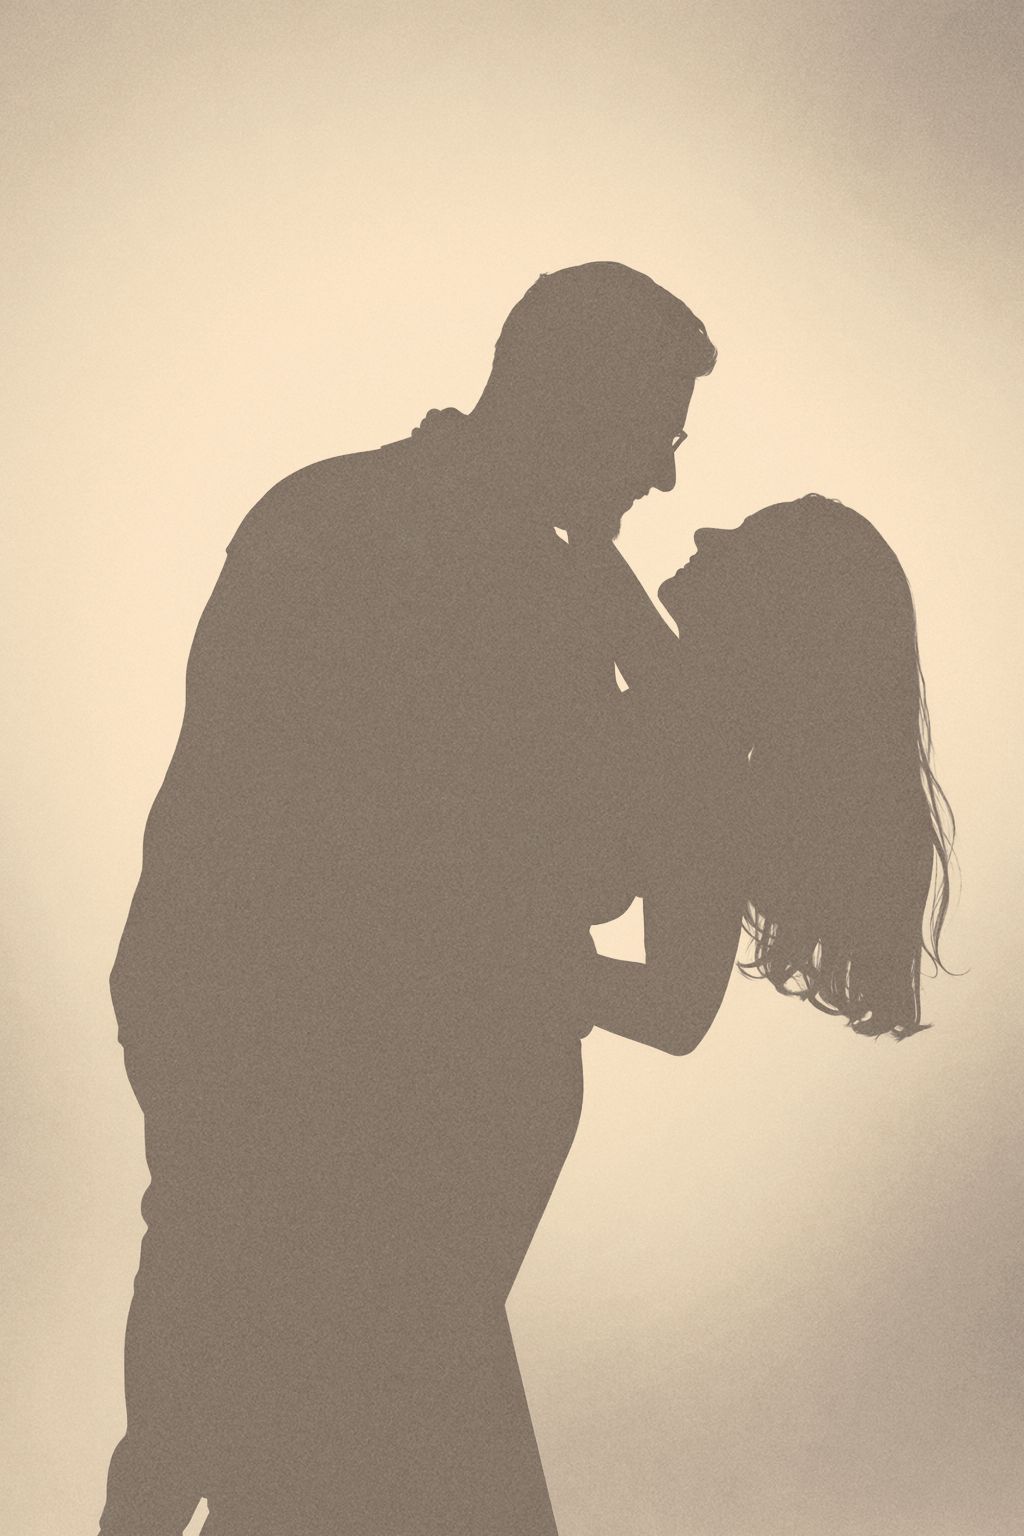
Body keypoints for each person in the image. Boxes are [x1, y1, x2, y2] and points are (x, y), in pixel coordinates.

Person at [98, 262, 718, 1535]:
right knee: (311, 1459)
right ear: (576, 398)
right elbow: (583, 870)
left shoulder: (344, 514)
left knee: (256, 1458)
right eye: (656, 434)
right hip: (345, 1123)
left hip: (314, 1108)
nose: (663, 478)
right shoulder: (473, 571)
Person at [571, 492, 954, 1053]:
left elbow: (676, 1011)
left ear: (778, 613)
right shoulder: (688, 711)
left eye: (743, 541)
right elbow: (589, 546)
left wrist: (503, 954)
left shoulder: (702, 760)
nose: (706, 535)